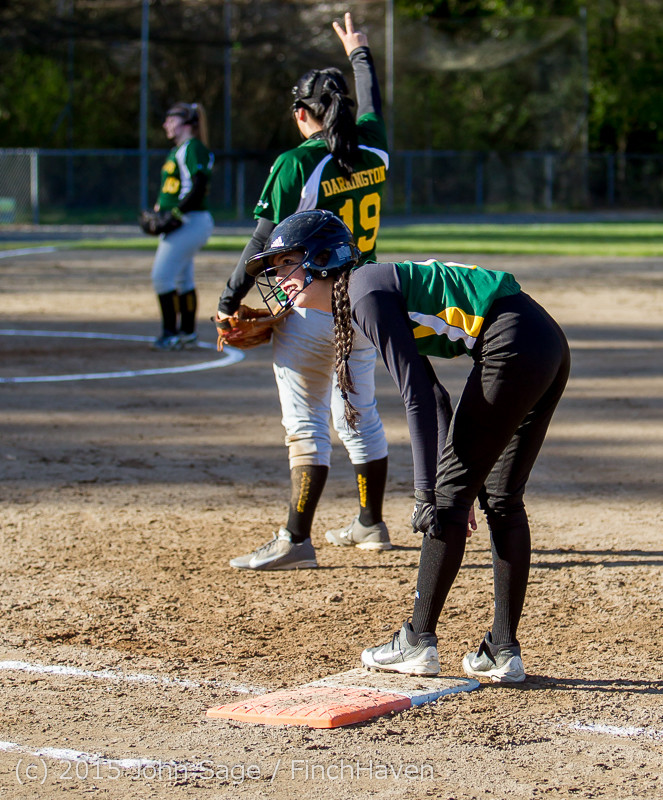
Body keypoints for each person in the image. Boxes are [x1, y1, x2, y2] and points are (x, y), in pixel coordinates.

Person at [244, 209, 571, 683]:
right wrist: (447, 484)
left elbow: (416, 394)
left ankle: (418, 640)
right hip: (541, 342)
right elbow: (434, 395)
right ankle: (502, 650)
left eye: (287, 263)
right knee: (499, 499)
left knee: (454, 501)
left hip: (516, 344)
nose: (279, 278)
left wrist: (429, 492)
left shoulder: (363, 292)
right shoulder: (367, 288)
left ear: (323, 258)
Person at [218, 13, 392, 570]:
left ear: (300, 114)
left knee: (307, 421)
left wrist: (228, 301)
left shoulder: (297, 163)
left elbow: (261, 244)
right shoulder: (374, 149)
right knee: (358, 413)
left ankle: (296, 539)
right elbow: (373, 110)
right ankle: (370, 522)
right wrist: (359, 52)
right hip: (363, 303)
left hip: (309, 305)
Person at [150, 102, 214, 350]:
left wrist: (175, 213)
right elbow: (178, 187)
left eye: (171, 119)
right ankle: (187, 332)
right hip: (187, 221)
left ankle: (170, 333)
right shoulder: (181, 149)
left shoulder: (192, 148)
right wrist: (161, 207)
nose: (166, 124)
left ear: (187, 123)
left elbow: (197, 186)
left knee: (161, 276)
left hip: (190, 221)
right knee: (181, 279)